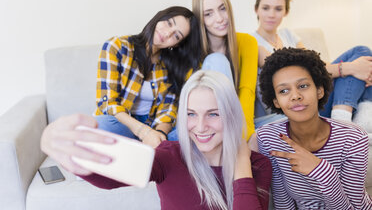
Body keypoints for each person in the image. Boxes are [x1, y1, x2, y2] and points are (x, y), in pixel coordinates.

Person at [40, 70, 272, 210]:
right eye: (191, 114)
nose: (200, 127)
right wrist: (65, 151)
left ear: (230, 113)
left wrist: (241, 162)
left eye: (213, 113)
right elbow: (108, 178)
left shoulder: (257, 165)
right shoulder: (169, 156)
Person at [256, 47, 372, 209]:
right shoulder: (269, 137)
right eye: (284, 91)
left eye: (303, 86)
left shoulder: (353, 138)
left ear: (319, 90)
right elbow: (283, 202)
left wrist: (322, 171)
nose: (295, 96)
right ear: (276, 102)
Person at [252, 0, 372, 129]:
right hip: (289, 107)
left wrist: (354, 68)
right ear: (256, 9)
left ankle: (353, 118)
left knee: (362, 52)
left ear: (286, 12)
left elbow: (314, 65)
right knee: (359, 60)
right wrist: (349, 68)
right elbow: (301, 71)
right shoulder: (252, 43)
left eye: (278, 9)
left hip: (311, 96)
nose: (271, 14)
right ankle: (345, 121)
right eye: (265, 8)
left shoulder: (289, 35)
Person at [94, 6, 202, 148]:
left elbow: (167, 111)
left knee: (190, 131)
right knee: (102, 124)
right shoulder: (116, 47)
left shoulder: (170, 66)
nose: (168, 33)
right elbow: (108, 103)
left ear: (176, 44)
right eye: (169, 23)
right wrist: (144, 133)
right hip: (120, 123)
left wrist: (158, 136)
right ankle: (143, 150)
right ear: (160, 17)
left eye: (176, 36)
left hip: (153, 128)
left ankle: (150, 152)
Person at [192, 0, 259, 140]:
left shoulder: (247, 42)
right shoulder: (192, 50)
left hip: (238, 123)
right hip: (202, 127)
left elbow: (247, 91)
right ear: (200, 19)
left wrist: (246, 135)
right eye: (208, 14)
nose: (220, 18)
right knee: (217, 60)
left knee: (287, 124)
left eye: (222, 8)